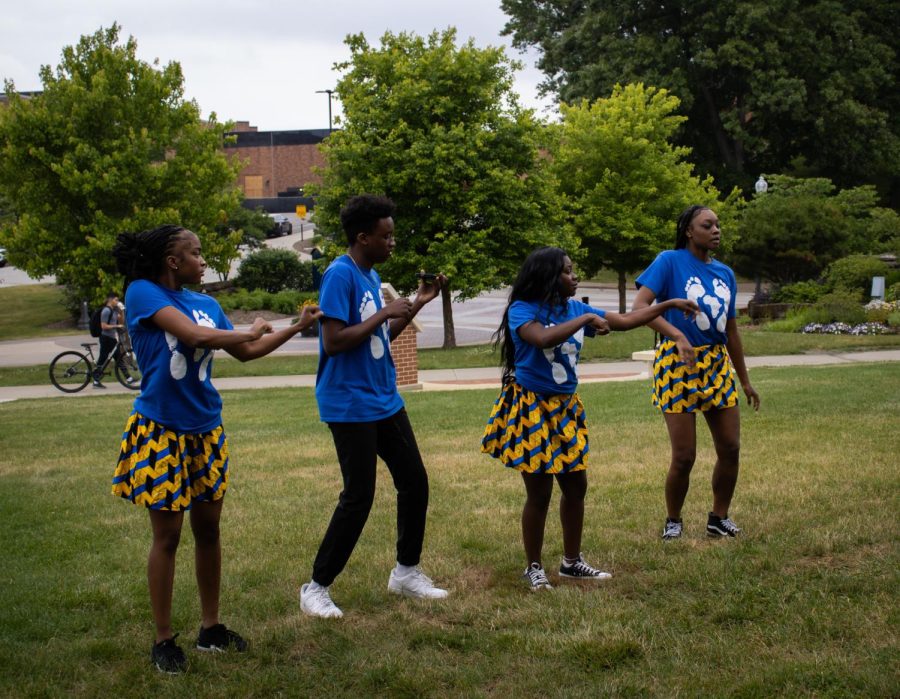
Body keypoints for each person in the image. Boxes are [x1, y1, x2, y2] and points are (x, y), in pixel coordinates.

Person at [110, 224, 322, 673]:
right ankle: (164, 639)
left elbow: (248, 351)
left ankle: (211, 629)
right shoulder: (143, 293)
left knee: (209, 530)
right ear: (173, 261)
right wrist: (247, 330)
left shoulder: (207, 304)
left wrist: (295, 327)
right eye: (197, 253)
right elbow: (197, 338)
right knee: (167, 536)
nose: (203, 261)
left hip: (206, 429)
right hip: (160, 430)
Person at [481, 246, 699, 590]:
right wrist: (584, 320)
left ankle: (571, 562)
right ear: (550, 277)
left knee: (576, 486)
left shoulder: (575, 307)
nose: (575, 276)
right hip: (531, 407)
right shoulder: (523, 310)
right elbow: (540, 338)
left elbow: (626, 321)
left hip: (566, 407)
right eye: (568, 271)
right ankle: (533, 566)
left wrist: (669, 305)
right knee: (539, 492)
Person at [299, 194, 449, 619]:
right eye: (385, 236)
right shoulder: (340, 276)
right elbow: (334, 340)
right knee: (359, 495)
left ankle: (405, 572)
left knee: (414, 481)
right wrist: (383, 313)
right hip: (349, 403)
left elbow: (378, 337)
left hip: (383, 399)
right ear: (362, 237)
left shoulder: (370, 274)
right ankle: (316, 586)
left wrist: (417, 302)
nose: (392, 242)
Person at [632, 205, 760, 541]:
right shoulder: (669, 261)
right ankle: (673, 519)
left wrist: (744, 380)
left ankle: (719, 517)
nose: (716, 230)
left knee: (730, 447)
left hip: (716, 365)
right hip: (677, 363)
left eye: (718, 224)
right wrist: (677, 335)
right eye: (708, 225)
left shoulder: (725, 274)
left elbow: (731, 330)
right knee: (684, 456)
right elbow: (640, 309)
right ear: (690, 231)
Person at [92, 292, 129, 388]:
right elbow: (103, 326)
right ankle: (96, 381)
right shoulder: (106, 311)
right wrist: (116, 326)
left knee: (118, 358)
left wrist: (122, 310)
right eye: (116, 300)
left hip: (112, 338)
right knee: (103, 358)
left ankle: (129, 378)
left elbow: (121, 322)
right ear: (110, 300)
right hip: (105, 338)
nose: (117, 302)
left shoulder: (114, 310)